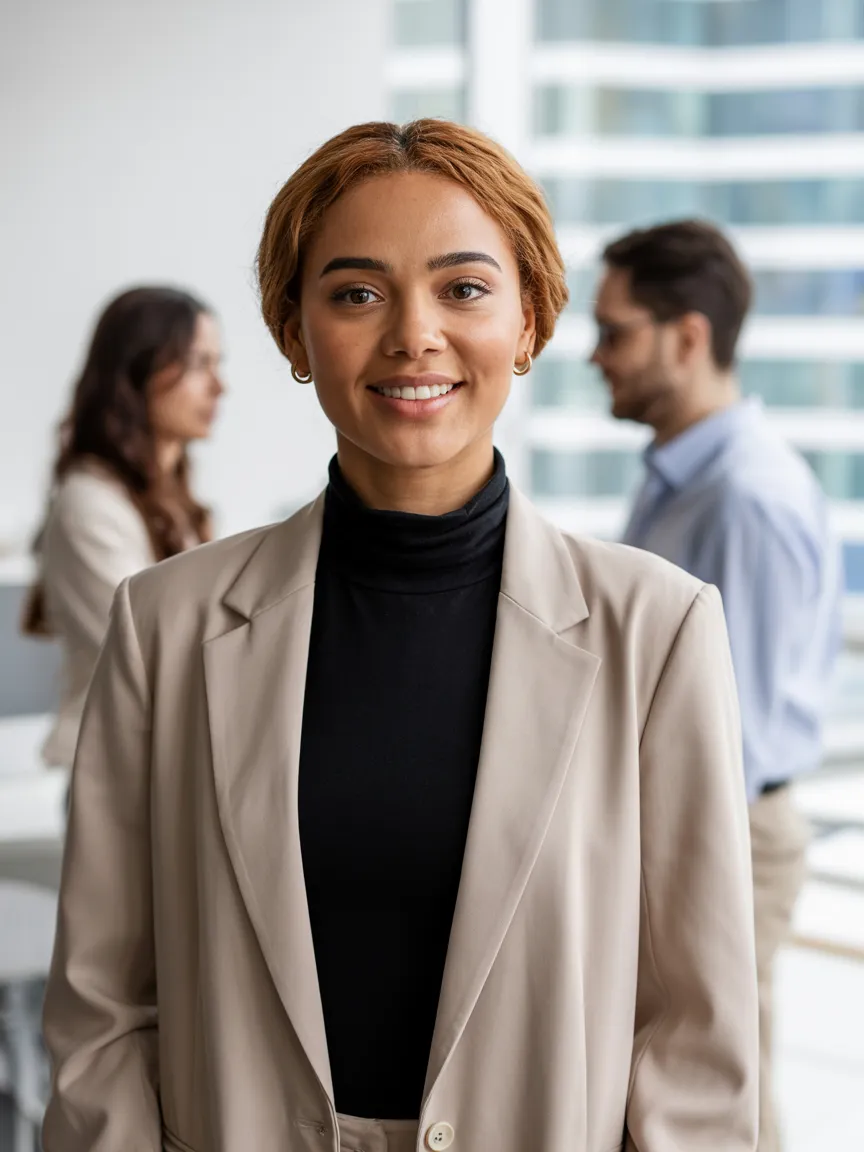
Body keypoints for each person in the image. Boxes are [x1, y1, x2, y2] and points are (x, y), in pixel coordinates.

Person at [42, 123, 758, 1152]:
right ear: (294, 334)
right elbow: (99, 1008)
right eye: (355, 293)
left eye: (463, 288)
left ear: (530, 321)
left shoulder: (659, 630)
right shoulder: (166, 626)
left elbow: (698, 1044)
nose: (413, 334)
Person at [591, 220, 844, 1152]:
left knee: (716, 1095)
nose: (595, 354)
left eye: (615, 332)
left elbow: (733, 734)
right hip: (687, 828)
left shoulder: (746, 499)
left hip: (723, 837)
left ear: (687, 337)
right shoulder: (679, 480)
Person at [23, 286, 224, 770]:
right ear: (138, 372)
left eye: (218, 363)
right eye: (198, 363)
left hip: (161, 765)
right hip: (114, 774)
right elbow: (155, 655)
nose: (219, 386)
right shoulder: (88, 504)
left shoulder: (179, 506)